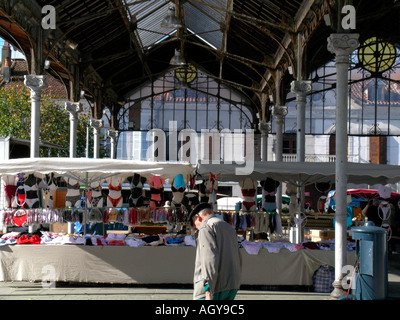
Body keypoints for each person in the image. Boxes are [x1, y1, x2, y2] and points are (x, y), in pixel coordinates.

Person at [189, 203, 242, 300]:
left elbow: (209, 259)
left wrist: (208, 289)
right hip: (232, 284)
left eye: (194, 222)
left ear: (198, 217)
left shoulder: (206, 227)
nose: (195, 227)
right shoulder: (227, 226)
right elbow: (238, 256)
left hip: (215, 287)